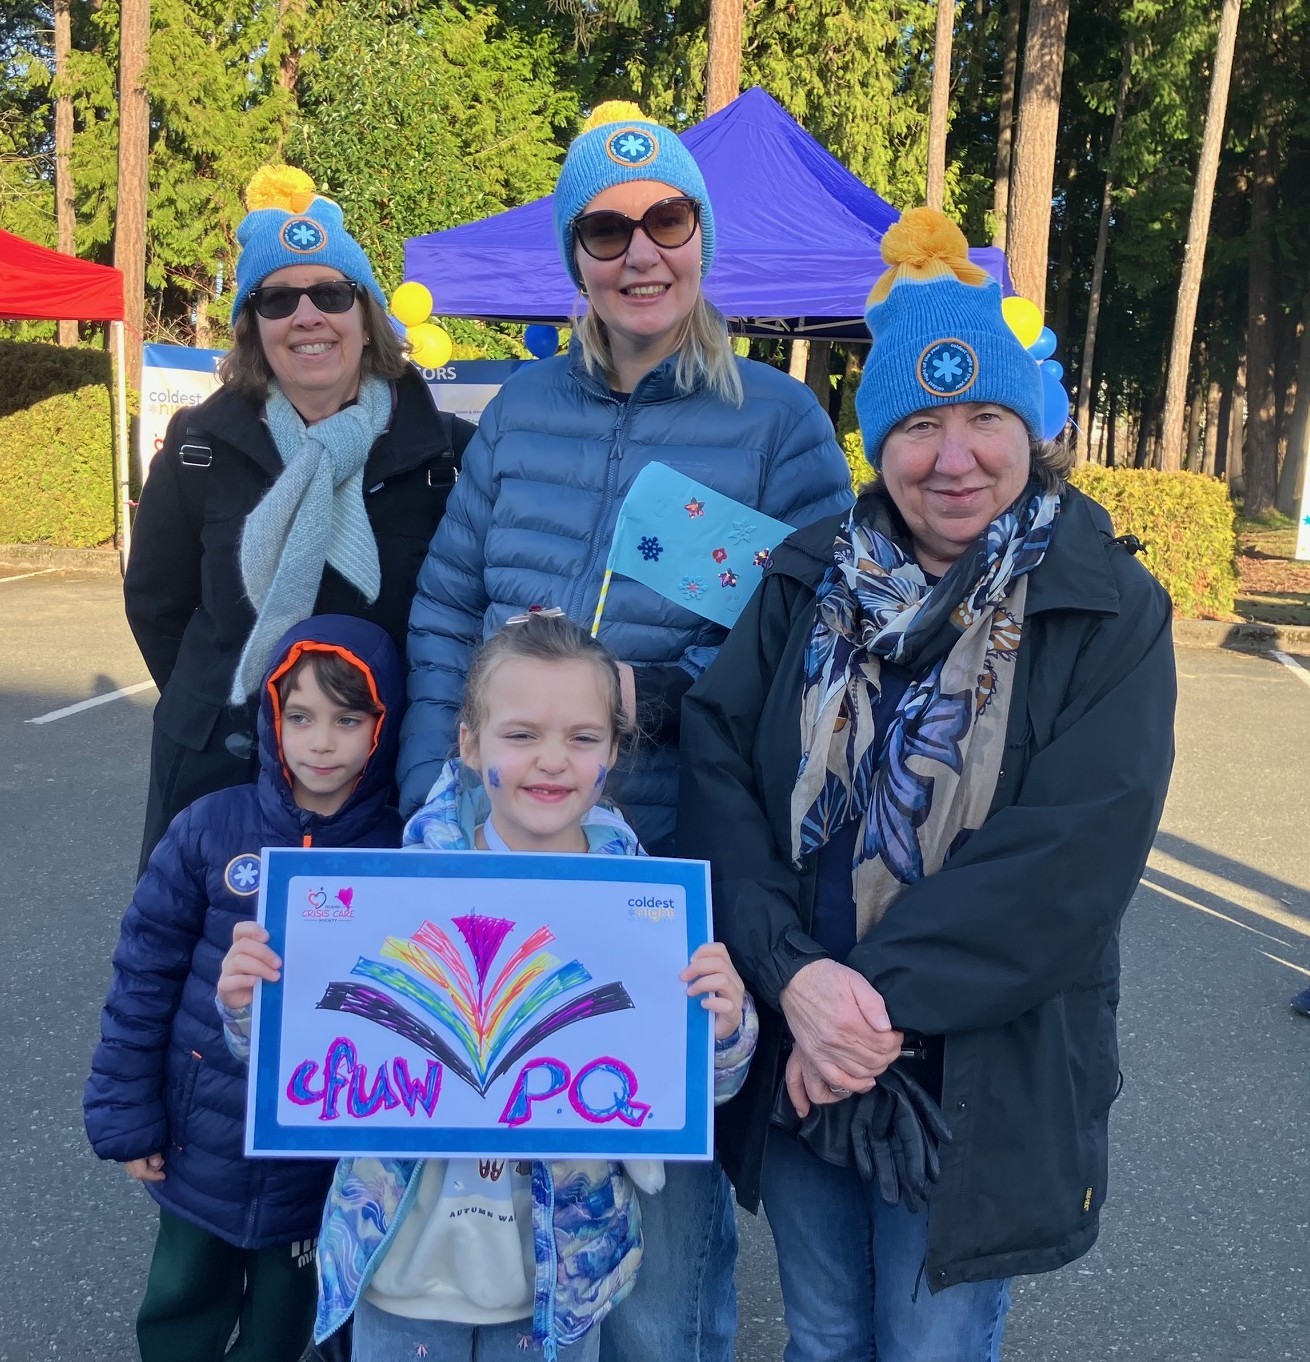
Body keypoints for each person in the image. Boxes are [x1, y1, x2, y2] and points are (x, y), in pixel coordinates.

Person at [678, 208, 1178, 1362]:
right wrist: (791, 977)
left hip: (969, 1073)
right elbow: (718, 767)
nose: (953, 459)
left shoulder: (1105, 607)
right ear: (877, 443)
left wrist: (846, 1007)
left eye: (983, 418)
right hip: (804, 1044)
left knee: (928, 1347)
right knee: (823, 1336)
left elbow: (1069, 860)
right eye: (917, 425)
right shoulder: (808, 576)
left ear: (1029, 429)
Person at [400, 102, 852, 1361]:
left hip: (666, 874)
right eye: (606, 230)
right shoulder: (515, 411)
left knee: (656, 1259)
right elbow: (443, 613)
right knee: (485, 1217)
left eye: (666, 220)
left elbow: (815, 649)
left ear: (701, 235)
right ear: (574, 255)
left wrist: (640, 698)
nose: (640, 251)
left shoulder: (778, 423)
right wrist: (425, 808)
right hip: (493, 863)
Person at [221, 610, 758, 1361]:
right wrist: (254, 1006)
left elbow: (697, 1089)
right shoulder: (396, 893)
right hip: (400, 1265)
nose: (552, 761)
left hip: (559, 1281)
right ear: (470, 745)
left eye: (583, 738)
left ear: (615, 750)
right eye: (521, 734)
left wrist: (726, 1029)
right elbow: (300, 1061)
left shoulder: (650, 913)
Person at [125, 164, 473, 873]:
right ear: (254, 327)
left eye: (331, 293)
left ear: (366, 316)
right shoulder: (199, 446)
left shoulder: (446, 456)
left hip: (382, 785)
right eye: (278, 299)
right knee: (196, 943)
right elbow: (158, 606)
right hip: (218, 772)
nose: (307, 316)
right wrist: (236, 705)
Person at [84, 614, 406, 1362]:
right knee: (181, 1306)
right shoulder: (208, 828)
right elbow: (141, 980)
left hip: (316, 1166)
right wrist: (129, 1116)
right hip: (201, 1144)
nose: (320, 742)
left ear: (383, 725)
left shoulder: (398, 851)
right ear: (272, 717)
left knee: (287, 1327)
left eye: (347, 719)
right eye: (300, 717)